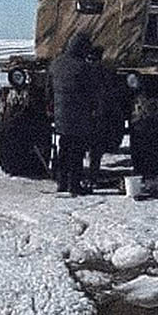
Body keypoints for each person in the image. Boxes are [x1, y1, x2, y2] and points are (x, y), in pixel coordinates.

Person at [49, 33, 102, 195]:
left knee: (63, 148)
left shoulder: (56, 64)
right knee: (76, 151)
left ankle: (61, 182)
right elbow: (93, 92)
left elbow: (48, 90)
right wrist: (95, 110)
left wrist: (52, 108)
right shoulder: (84, 67)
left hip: (60, 115)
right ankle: (74, 185)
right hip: (79, 116)